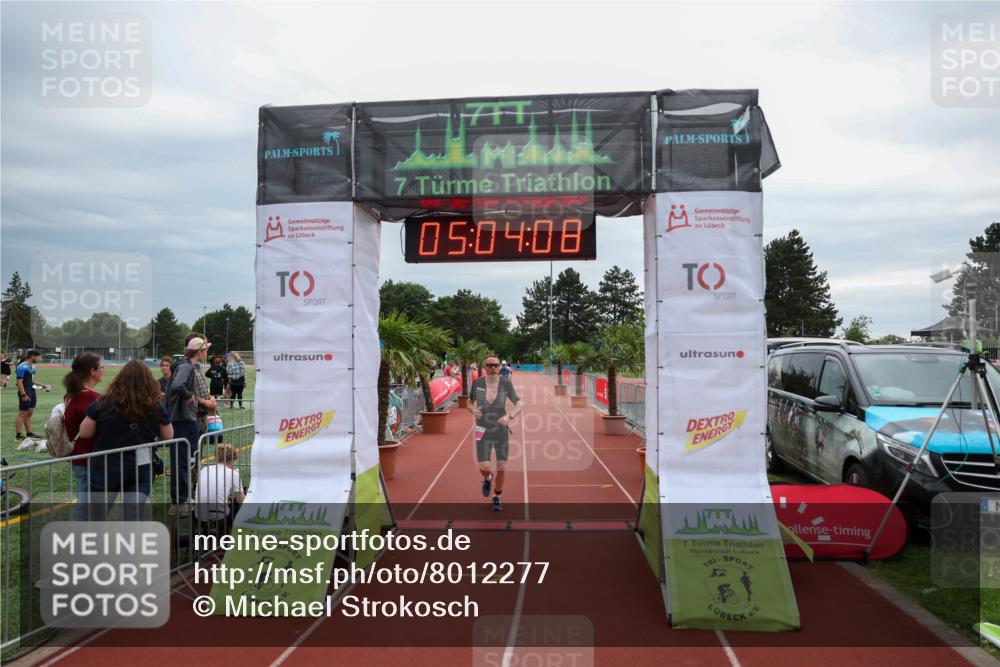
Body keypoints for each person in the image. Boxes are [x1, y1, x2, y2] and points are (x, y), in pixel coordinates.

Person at [78, 360, 172, 521]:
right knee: (134, 515)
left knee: (96, 515)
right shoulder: (154, 404)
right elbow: (168, 435)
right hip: (140, 465)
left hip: (106, 465)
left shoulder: (104, 402)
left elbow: (84, 432)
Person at [166, 335, 216, 514]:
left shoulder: (189, 366)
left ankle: (185, 498)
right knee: (182, 461)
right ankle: (179, 502)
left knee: (188, 460)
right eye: (205, 350)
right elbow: (178, 386)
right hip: (183, 420)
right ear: (200, 351)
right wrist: (192, 398)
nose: (207, 353)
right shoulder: (186, 367)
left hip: (187, 419)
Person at [467, 354, 523, 511]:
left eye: (495, 365)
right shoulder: (478, 383)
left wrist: (509, 416)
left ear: (499, 367)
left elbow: (519, 403)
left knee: (502, 466)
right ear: (485, 367)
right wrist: (472, 410)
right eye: (490, 365)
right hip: (482, 429)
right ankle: (488, 478)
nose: (493, 368)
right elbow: (469, 402)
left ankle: (497, 496)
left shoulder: (506, 384)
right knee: (484, 466)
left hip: (500, 430)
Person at [63, 353, 105, 521]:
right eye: (101, 367)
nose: (104, 370)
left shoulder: (72, 395)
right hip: (90, 458)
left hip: (80, 457)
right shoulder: (90, 398)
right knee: (89, 506)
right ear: (92, 371)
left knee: (87, 502)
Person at [194, 443, 245, 531]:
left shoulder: (204, 470)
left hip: (199, 515)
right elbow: (241, 500)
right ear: (231, 460)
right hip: (220, 517)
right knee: (239, 507)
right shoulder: (233, 474)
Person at [15, 349, 42, 440]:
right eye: (38, 356)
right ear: (33, 356)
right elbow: (19, 382)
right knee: (22, 414)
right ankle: (18, 435)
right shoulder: (22, 366)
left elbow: (31, 381)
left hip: (32, 391)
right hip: (25, 392)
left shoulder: (31, 366)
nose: (39, 358)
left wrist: (43, 385)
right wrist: (23, 394)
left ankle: (29, 433)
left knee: (29, 413)